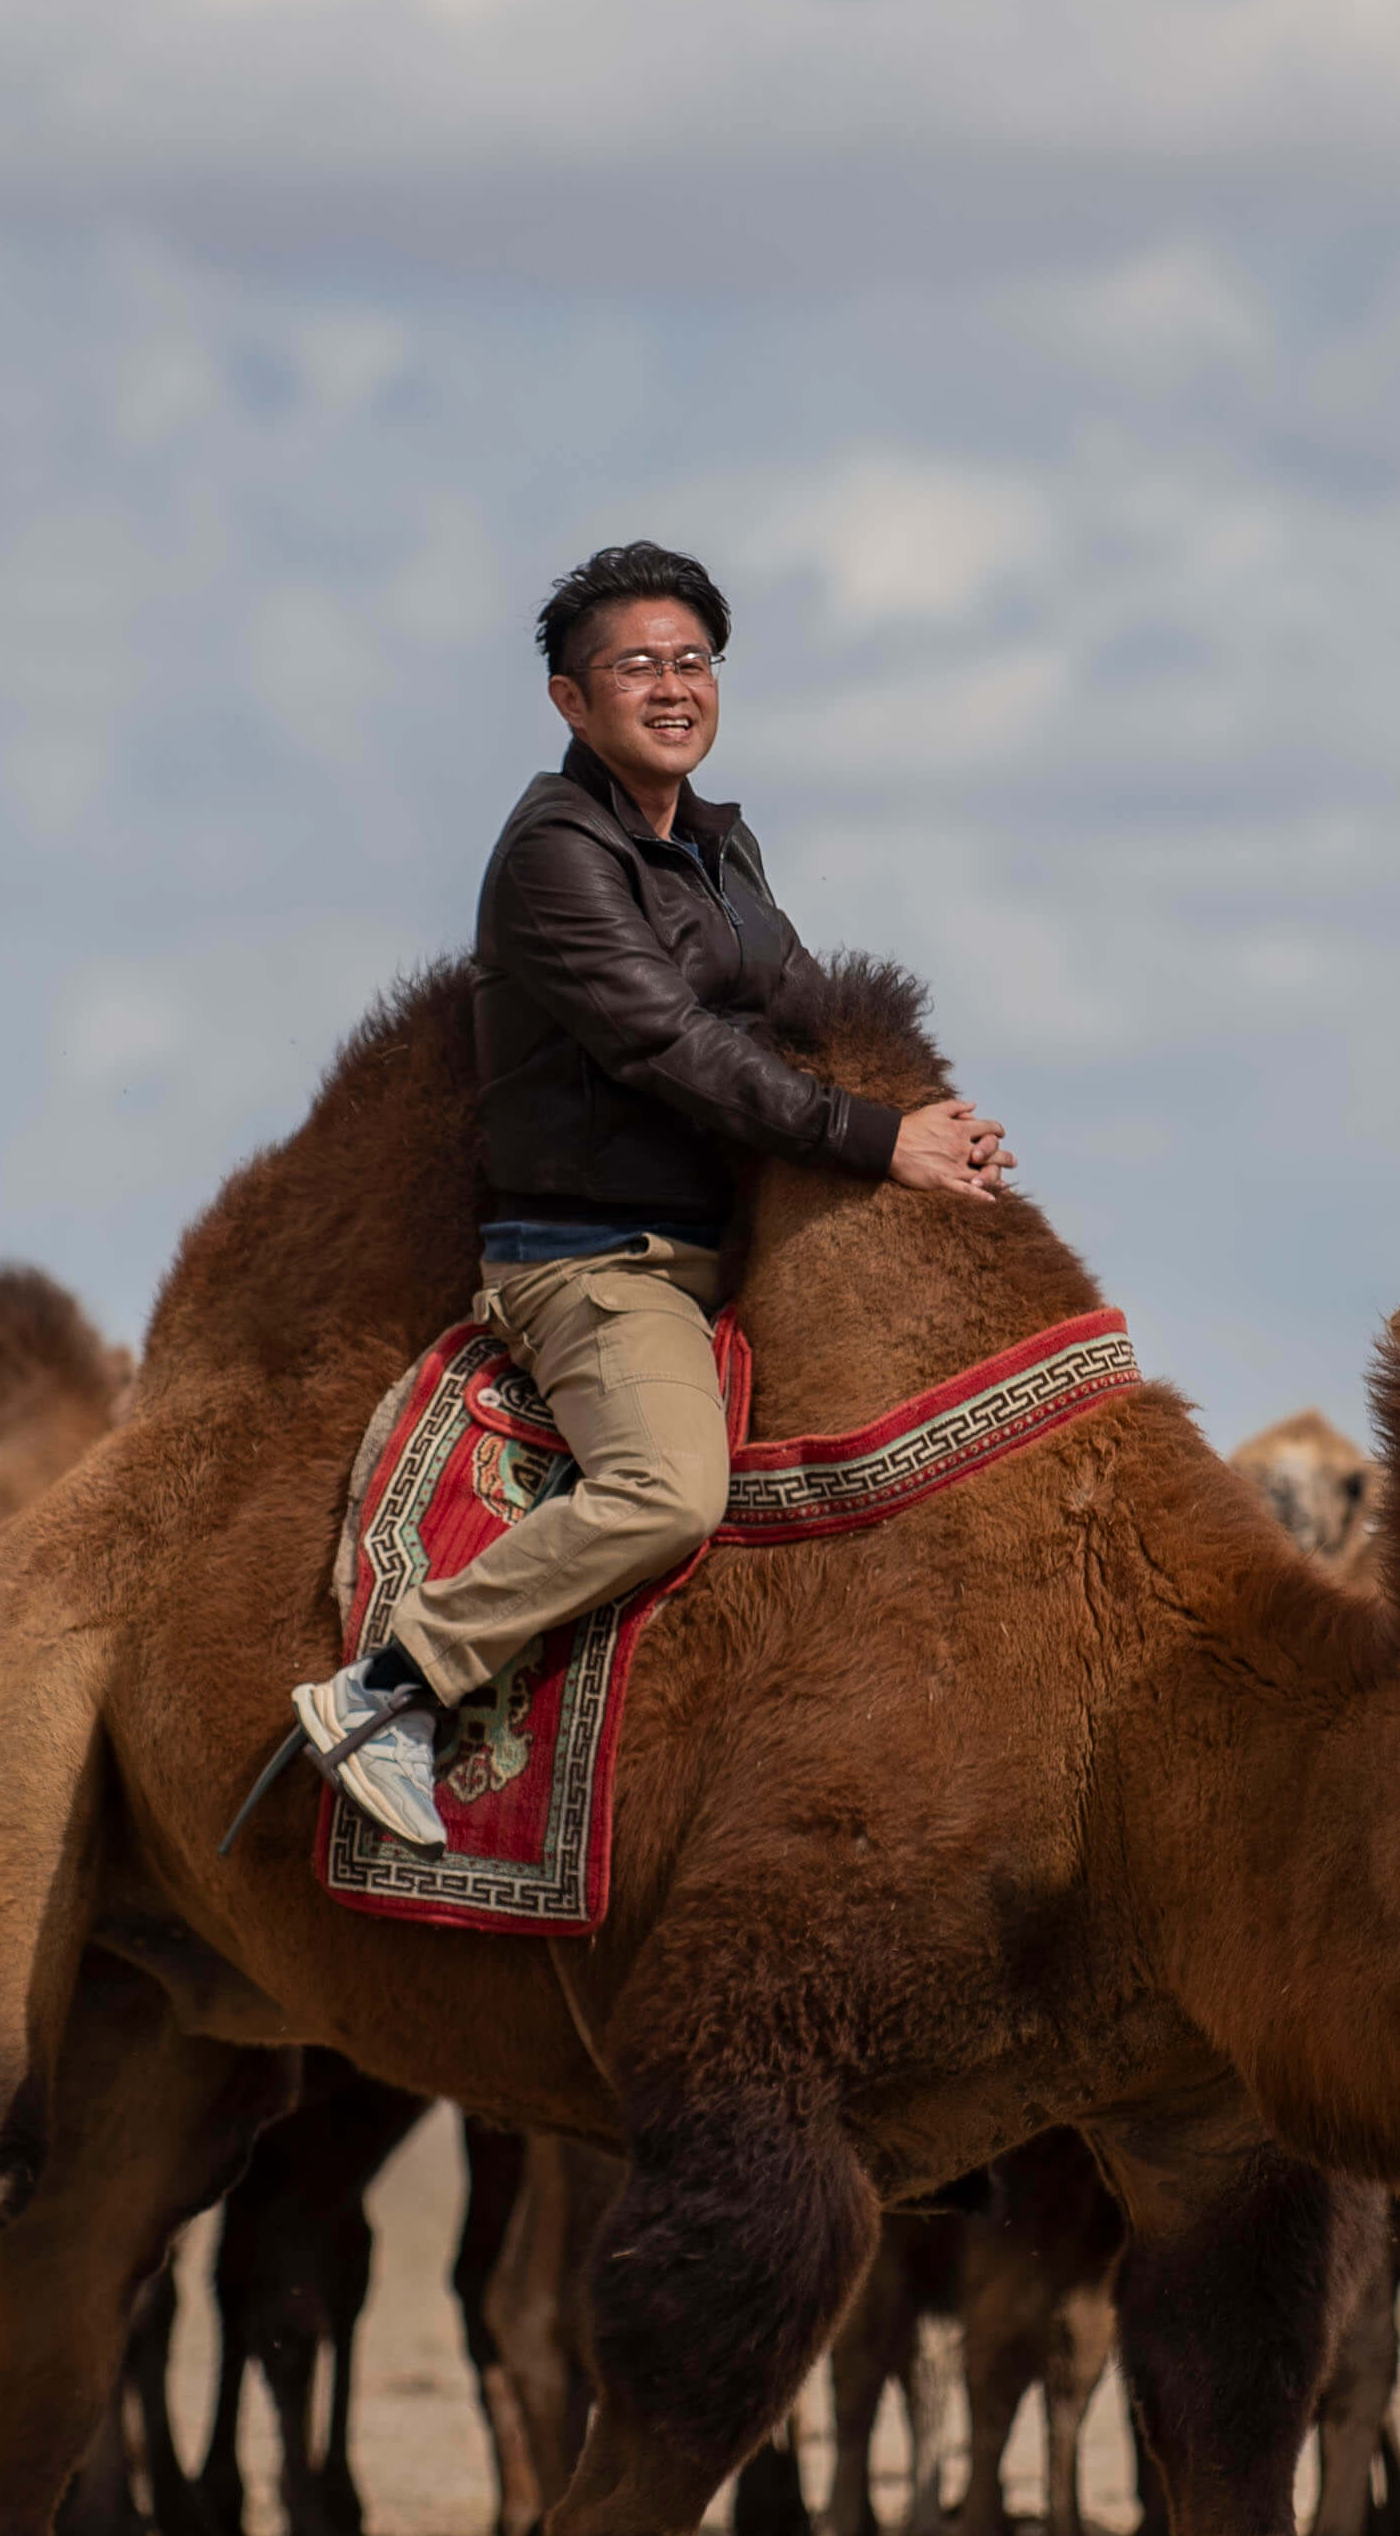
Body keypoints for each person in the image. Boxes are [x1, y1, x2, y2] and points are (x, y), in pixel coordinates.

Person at [286, 540, 1009, 1845]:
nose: (673, 688)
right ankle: (391, 1689)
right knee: (671, 1493)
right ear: (572, 701)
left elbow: (795, 1018)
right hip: (597, 1263)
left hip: (727, 1250)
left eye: (693, 662)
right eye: (637, 666)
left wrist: (930, 1127)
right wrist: (874, 1140)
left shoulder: (724, 854)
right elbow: (670, 1046)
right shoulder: (555, 855)